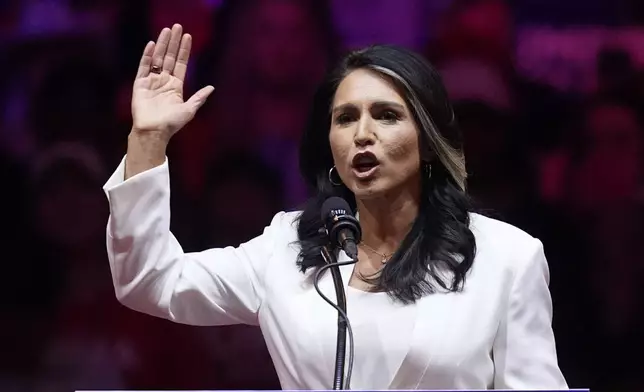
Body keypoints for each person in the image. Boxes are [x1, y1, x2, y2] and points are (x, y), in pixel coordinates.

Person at [103, 24, 568, 390]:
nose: (362, 134)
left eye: (386, 116)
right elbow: (150, 281)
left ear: (428, 142)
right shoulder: (285, 250)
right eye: (345, 119)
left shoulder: (507, 258)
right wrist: (148, 138)